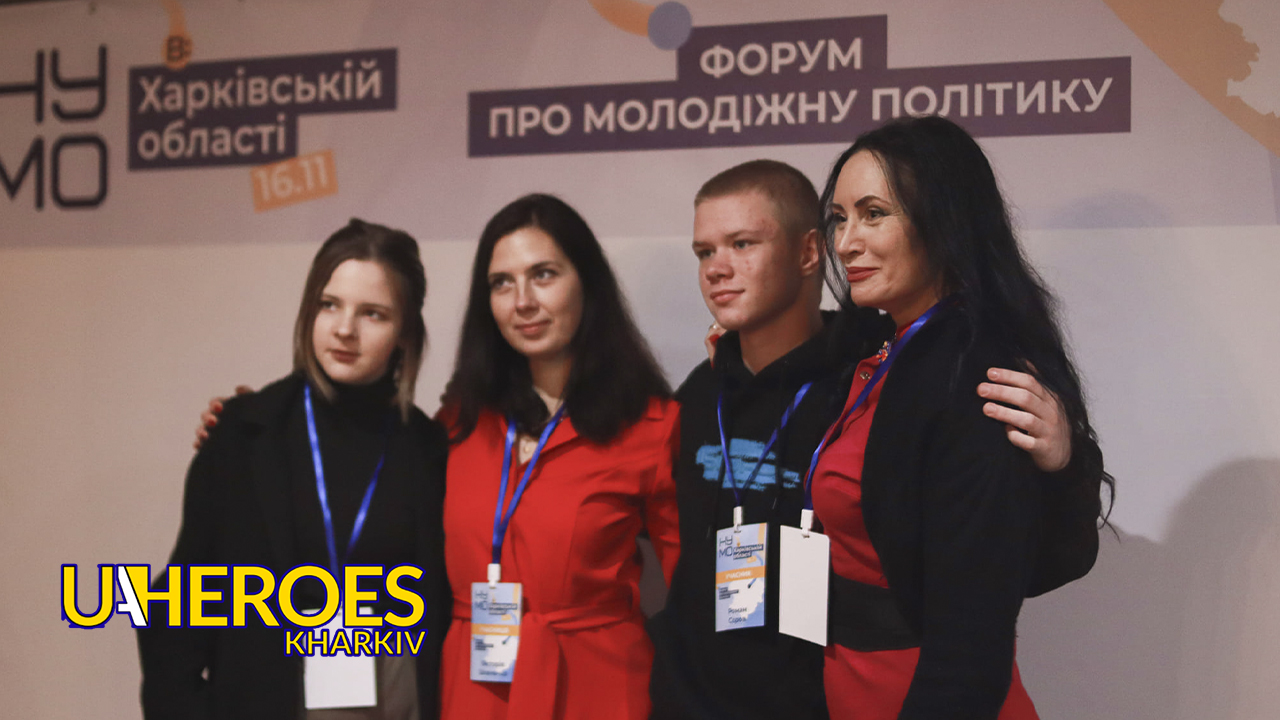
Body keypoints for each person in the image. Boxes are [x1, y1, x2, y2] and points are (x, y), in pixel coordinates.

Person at [647, 159, 1102, 720]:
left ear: (808, 252)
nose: (717, 269)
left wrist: (1069, 460)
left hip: (842, 689)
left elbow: (1007, 574)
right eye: (703, 252)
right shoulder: (704, 389)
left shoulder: (878, 374)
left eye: (742, 244)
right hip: (702, 695)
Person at [810, 115, 1111, 719]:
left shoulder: (975, 377)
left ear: (943, 220)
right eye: (840, 218)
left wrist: (1067, 465)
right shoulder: (883, 349)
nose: (844, 243)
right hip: (856, 685)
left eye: (874, 214)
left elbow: (973, 637)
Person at [139, 219, 450, 719]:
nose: (344, 329)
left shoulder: (429, 450)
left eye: (372, 313)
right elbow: (176, 611)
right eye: (329, 305)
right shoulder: (244, 434)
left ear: (405, 333)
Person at [435, 193, 680, 720]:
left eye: (543, 275)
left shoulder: (653, 425)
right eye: (502, 283)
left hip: (599, 689)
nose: (522, 301)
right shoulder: (457, 423)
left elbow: (693, 595)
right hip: (476, 692)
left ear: (586, 282)